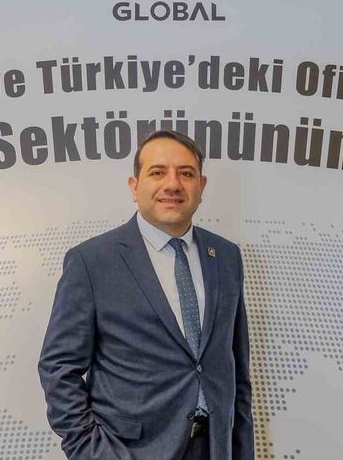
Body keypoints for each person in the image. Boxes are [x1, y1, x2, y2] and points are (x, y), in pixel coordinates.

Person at [38, 130, 254, 460]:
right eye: (157, 172)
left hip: (214, 447)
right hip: (131, 451)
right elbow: (58, 369)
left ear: (201, 186)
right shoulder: (92, 261)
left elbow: (236, 369)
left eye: (186, 173)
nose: (173, 184)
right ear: (134, 186)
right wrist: (93, 451)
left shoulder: (226, 256)